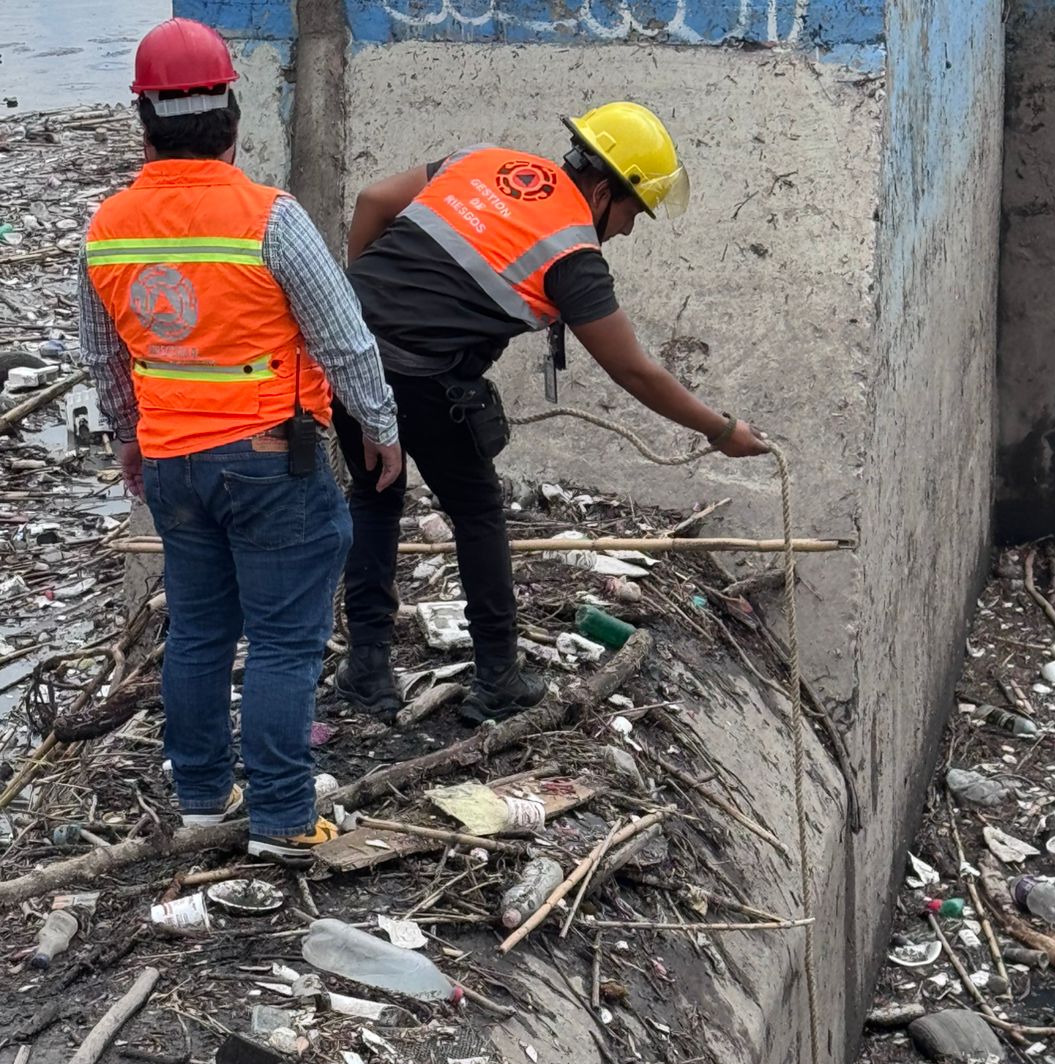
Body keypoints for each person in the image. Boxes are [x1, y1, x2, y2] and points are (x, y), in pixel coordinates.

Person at [79, 18, 404, 863]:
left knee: (196, 632)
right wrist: (381, 426)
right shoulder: (271, 218)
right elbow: (343, 337)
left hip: (174, 468)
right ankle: (285, 817)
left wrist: (128, 438)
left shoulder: (107, 227)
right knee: (286, 640)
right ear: (231, 113)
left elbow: (104, 353)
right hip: (269, 461)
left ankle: (200, 796)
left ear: (144, 120)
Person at [334, 102, 770, 723]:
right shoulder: (572, 252)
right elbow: (633, 370)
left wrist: (362, 314)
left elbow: (375, 199)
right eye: (630, 213)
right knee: (478, 512)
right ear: (601, 190)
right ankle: (498, 681)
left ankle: (367, 668)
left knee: (376, 494)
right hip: (423, 375)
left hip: (346, 352)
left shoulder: (485, 161)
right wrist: (720, 430)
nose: (626, 230)